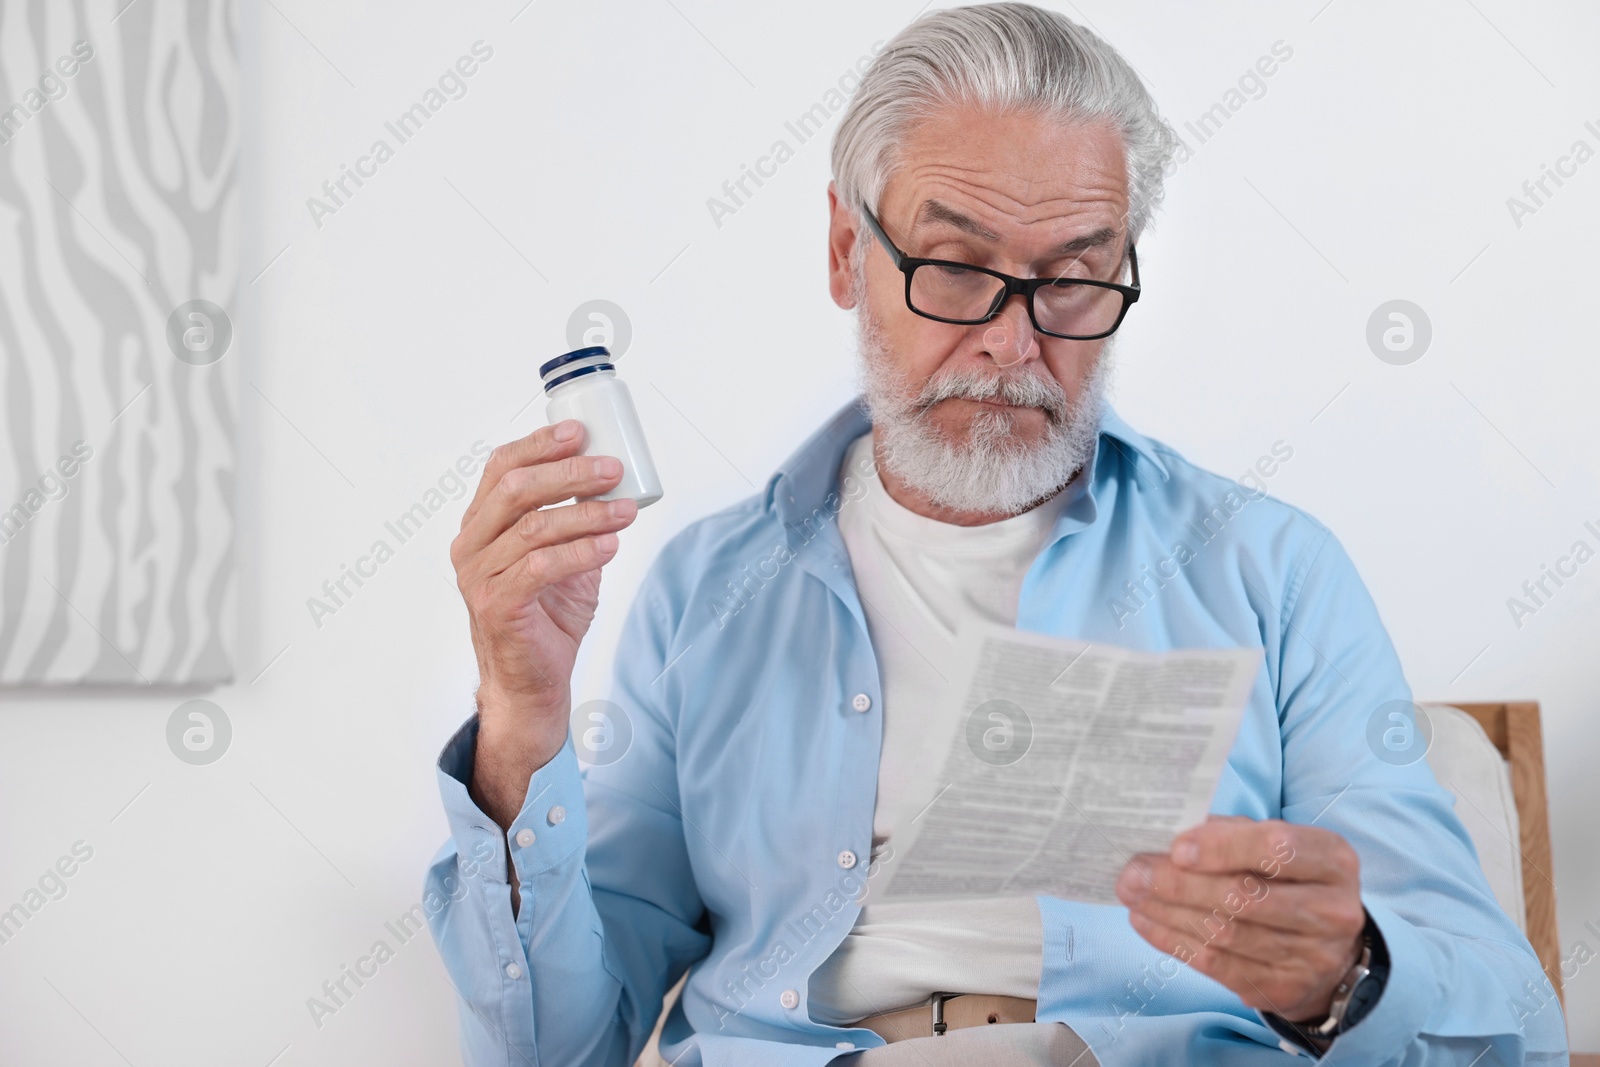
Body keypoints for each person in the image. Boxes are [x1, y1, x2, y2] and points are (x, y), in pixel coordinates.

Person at [424, 4, 1569, 1064]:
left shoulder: (1269, 568)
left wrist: (1346, 973)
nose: (1015, 344)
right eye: (958, 268)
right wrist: (522, 721)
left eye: (1074, 279)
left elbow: (1508, 1019)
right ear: (843, 251)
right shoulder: (709, 586)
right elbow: (557, 1044)